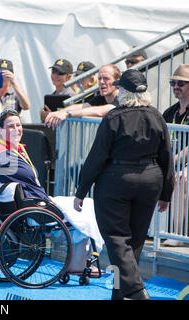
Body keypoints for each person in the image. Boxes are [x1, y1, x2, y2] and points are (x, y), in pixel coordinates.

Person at [0, 109, 103, 275]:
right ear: (0, 130)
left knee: (86, 208)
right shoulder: (0, 150)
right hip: (36, 207)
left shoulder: (18, 149)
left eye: (18, 125)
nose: (16, 129)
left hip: (37, 202)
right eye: (10, 126)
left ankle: (77, 261)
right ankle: (78, 263)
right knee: (88, 206)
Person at [74, 69, 174, 300]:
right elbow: (166, 157)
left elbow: (97, 156)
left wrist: (81, 190)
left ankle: (136, 291)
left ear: (124, 92)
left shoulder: (114, 117)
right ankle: (120, 294)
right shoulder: (157, 116)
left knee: (117, 238)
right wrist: (166, 193)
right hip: (150, 180)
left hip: (116, 181)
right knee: (135, 241)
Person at [44, 64, 121, 129]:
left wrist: (67, 114)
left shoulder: (122, 98)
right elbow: (82, 106)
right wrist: (58, 113)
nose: (101, 82)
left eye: (106, 78)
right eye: (100, 78)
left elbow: (99, 112)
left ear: (117, 81)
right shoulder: (101, 97)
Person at [162, 64, 189, 247]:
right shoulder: (170, 112)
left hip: (183, 164)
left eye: (181, 83)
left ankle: (177, 233)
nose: (176, 87)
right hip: (173, 161)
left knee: (180, 178)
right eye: (173, 83)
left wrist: (172, 161)